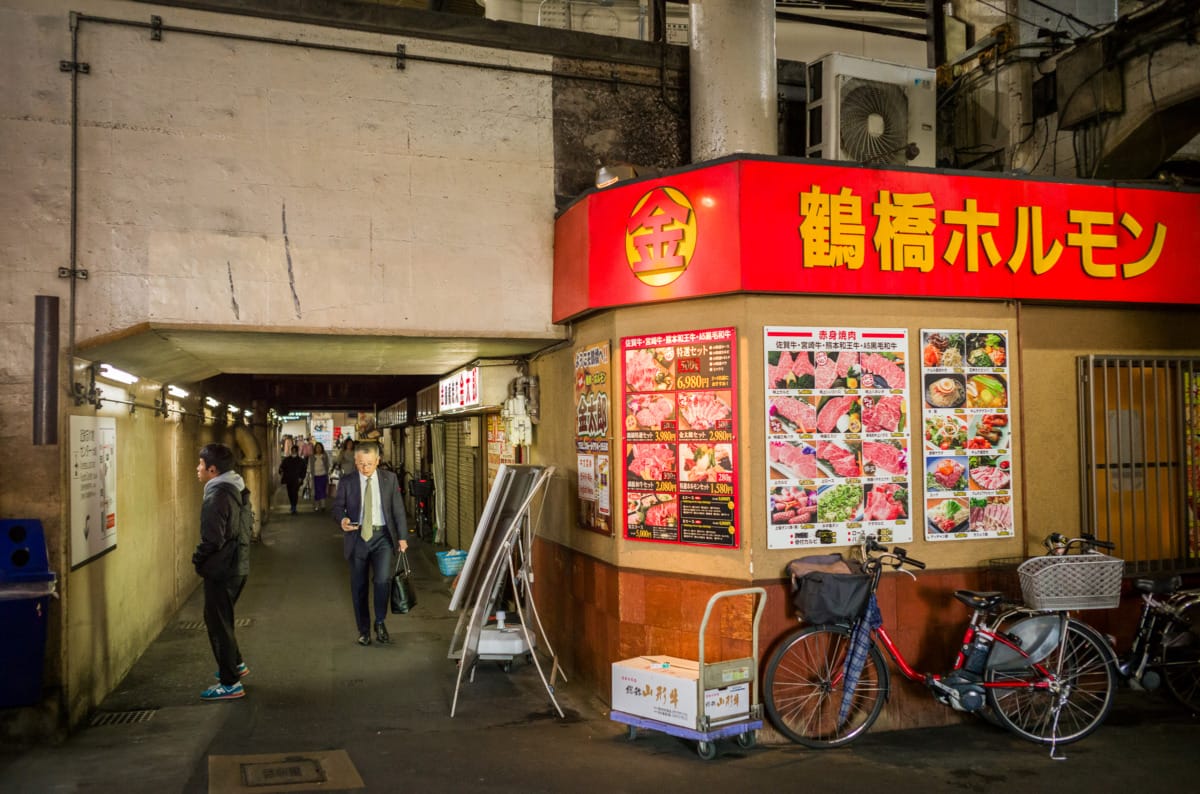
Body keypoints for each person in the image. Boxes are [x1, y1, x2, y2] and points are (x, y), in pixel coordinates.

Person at [332, 441, 409, 646]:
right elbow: (338, 507)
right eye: (360, 463)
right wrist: (343, 520)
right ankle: (363, 630)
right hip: (357, 538)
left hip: (382, 536)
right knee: (359, 586)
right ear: (355, 461)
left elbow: (398, 509)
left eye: (369, 463)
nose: (364, 468)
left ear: (377, 461)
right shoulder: (347, 481)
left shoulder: (389, 479)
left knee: (382, 580)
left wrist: (402, 537)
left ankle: (380, 622)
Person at [192, 443, 250, 701]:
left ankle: (230, 683)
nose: (197, 469)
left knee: (218, 625)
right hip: (238, 564)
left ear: (212, 469)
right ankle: (235, 664)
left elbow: (212, 540)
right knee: (223, 620)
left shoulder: (217, 496)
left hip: (222, 568)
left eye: (201, 465)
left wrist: (198, 559)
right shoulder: (238, 488)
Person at [279, 446, 307, 514]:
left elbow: (304, 470)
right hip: (289, 479)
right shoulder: (286, 460)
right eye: (293, 450)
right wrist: (281, 471)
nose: (294, 452)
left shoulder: (301, 460)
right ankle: (292, 505)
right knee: (290, 493)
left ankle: (294, 507)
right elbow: (282, 467)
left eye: (295, 450)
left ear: (297, 451)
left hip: (297, 479)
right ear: (291, 451)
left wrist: (301, 477)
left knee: (295, 493)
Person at [308, 441, 332, 511]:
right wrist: (308, 474)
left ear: (322, 448)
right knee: (316, 491)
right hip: (315, 476)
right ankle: (316, 506)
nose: (318, 449)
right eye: (317, 447)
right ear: (315, 449)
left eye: (320, 447)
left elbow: (328, 465)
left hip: (323, 476)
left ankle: (323, 506)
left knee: (323, 490)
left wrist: (329, 472)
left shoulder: (324, 456)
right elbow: (309, 466)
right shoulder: (312, 457)